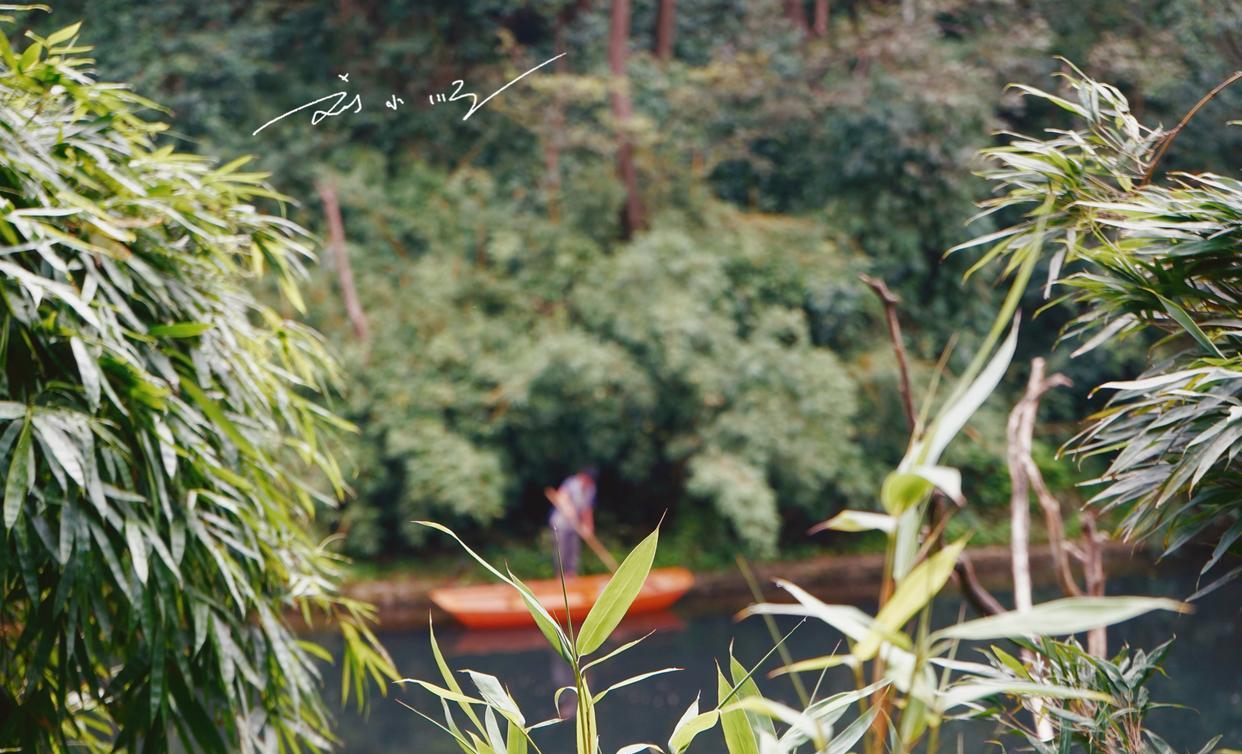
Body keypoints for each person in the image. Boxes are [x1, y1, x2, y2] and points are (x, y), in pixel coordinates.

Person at [549, 466, 596, 578]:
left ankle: (572, 576)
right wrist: (568, 508)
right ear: (583, 476)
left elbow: (587, 509)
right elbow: (561, 497)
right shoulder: (571, 483)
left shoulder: (591, 489)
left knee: (574, 552)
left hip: (574, 526)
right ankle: (560, 577)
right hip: (560, 524)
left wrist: (588, 527)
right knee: (561, 552)